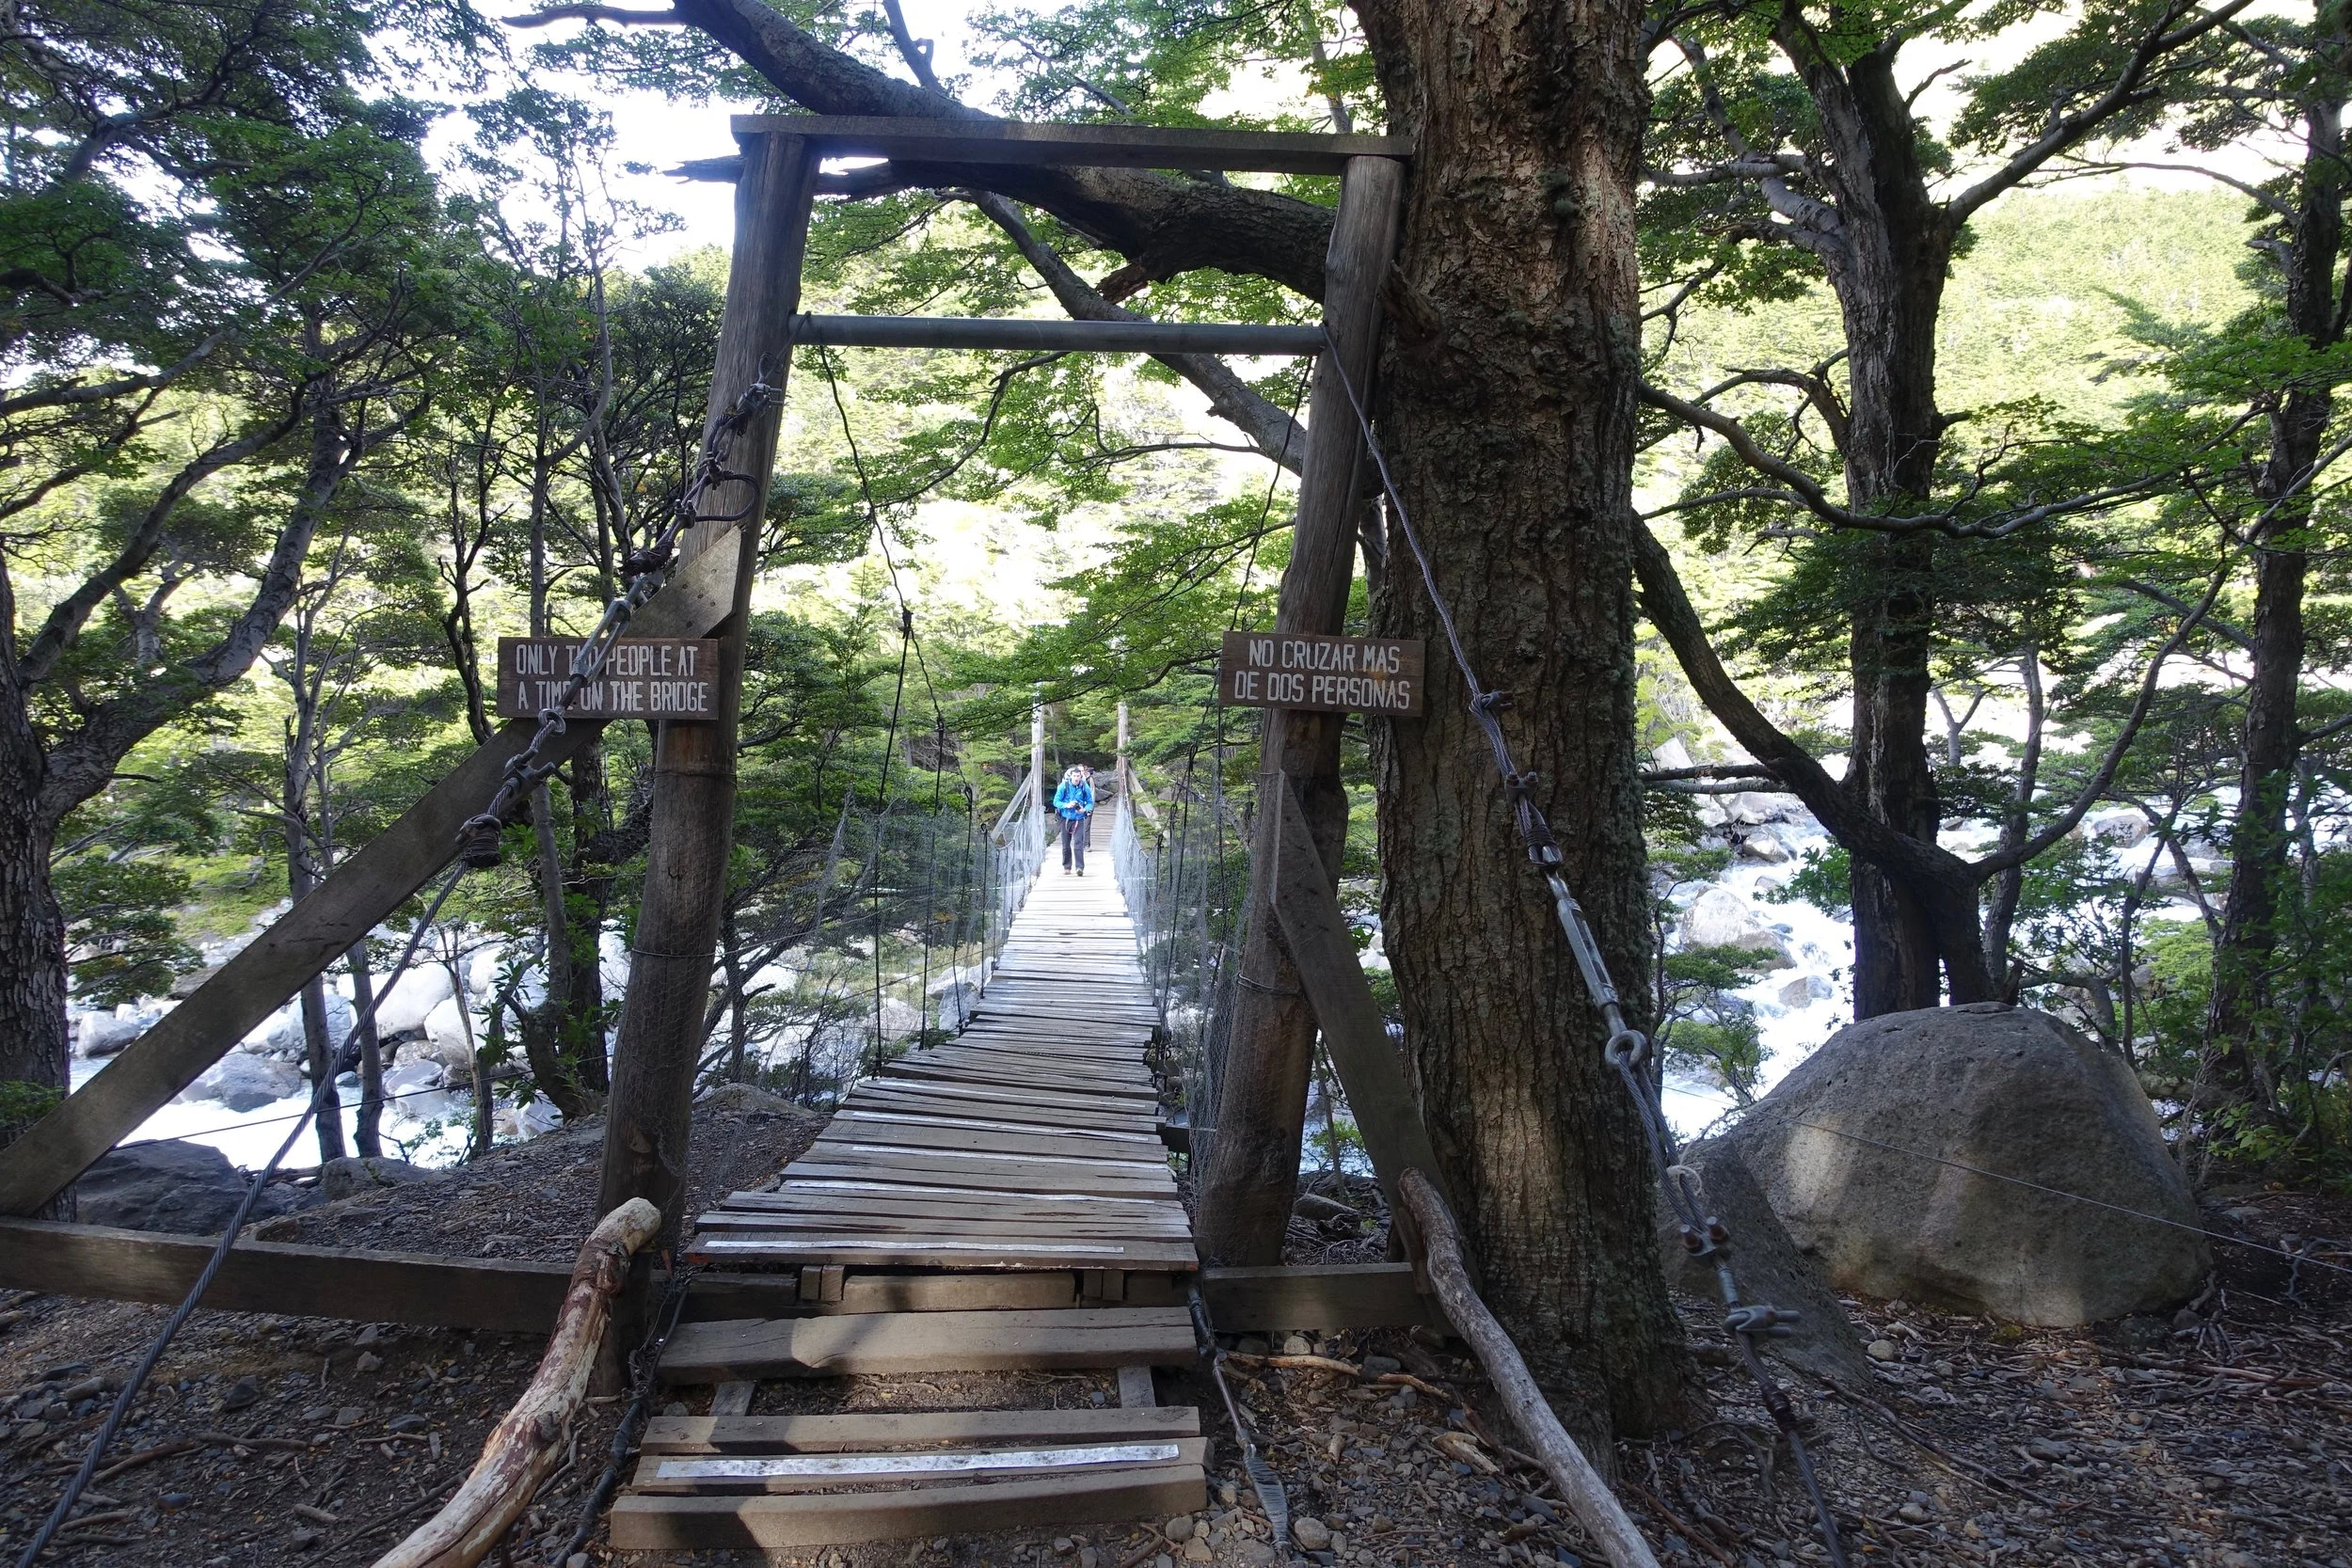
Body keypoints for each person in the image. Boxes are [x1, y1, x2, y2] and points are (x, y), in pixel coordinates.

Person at [1054, 763, 1095, 874]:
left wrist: (1084, 809)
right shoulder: (1063, 786)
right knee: (1066, 844)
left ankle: (1079, 867)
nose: (1076, 778)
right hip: (1065, 818)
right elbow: (1056, 801)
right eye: (1075, 776)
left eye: (1078, 776)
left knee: (1078, 842)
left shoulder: (1084, 786)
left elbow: (1090, 802)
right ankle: (1067, 867)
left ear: (1081, 777)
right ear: (1070, 776)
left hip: (1079, 818)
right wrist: (1066, 805)